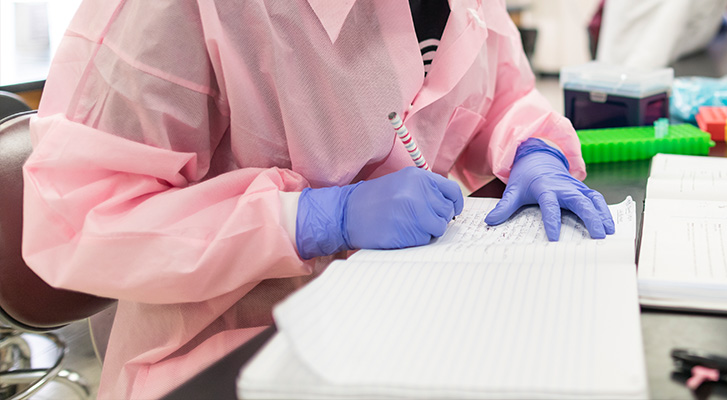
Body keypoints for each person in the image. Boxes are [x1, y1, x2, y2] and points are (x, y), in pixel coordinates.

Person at [21, 0, 614, 398]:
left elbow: (500, 93)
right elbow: (79, 217)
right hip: (232, 354)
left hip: (405, 321)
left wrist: (535, 149)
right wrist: (310, 218)